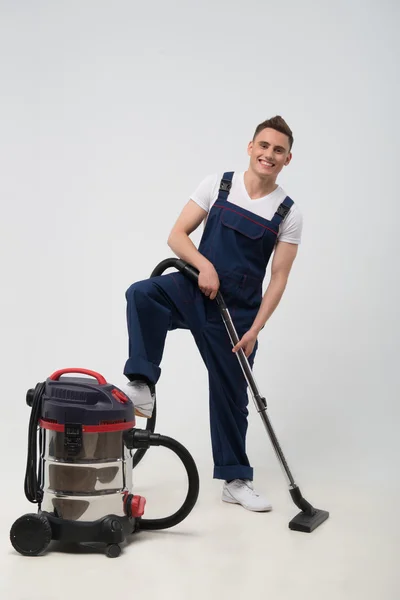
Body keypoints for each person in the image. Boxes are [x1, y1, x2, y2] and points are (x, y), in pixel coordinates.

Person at [122, 116, 303, 512]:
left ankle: (235, 480)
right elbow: (177, 236)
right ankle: (143, 385)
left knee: (231, 396)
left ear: (287, 159)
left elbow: (279, 277)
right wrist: (203, 266)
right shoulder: (218, 184)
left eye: (278, 150)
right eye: (263, 146)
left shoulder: (287, 212)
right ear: (250, 147)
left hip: (237, 315)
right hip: (193, 289)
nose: (268, 155)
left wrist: (255, 328)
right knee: (143, 295)